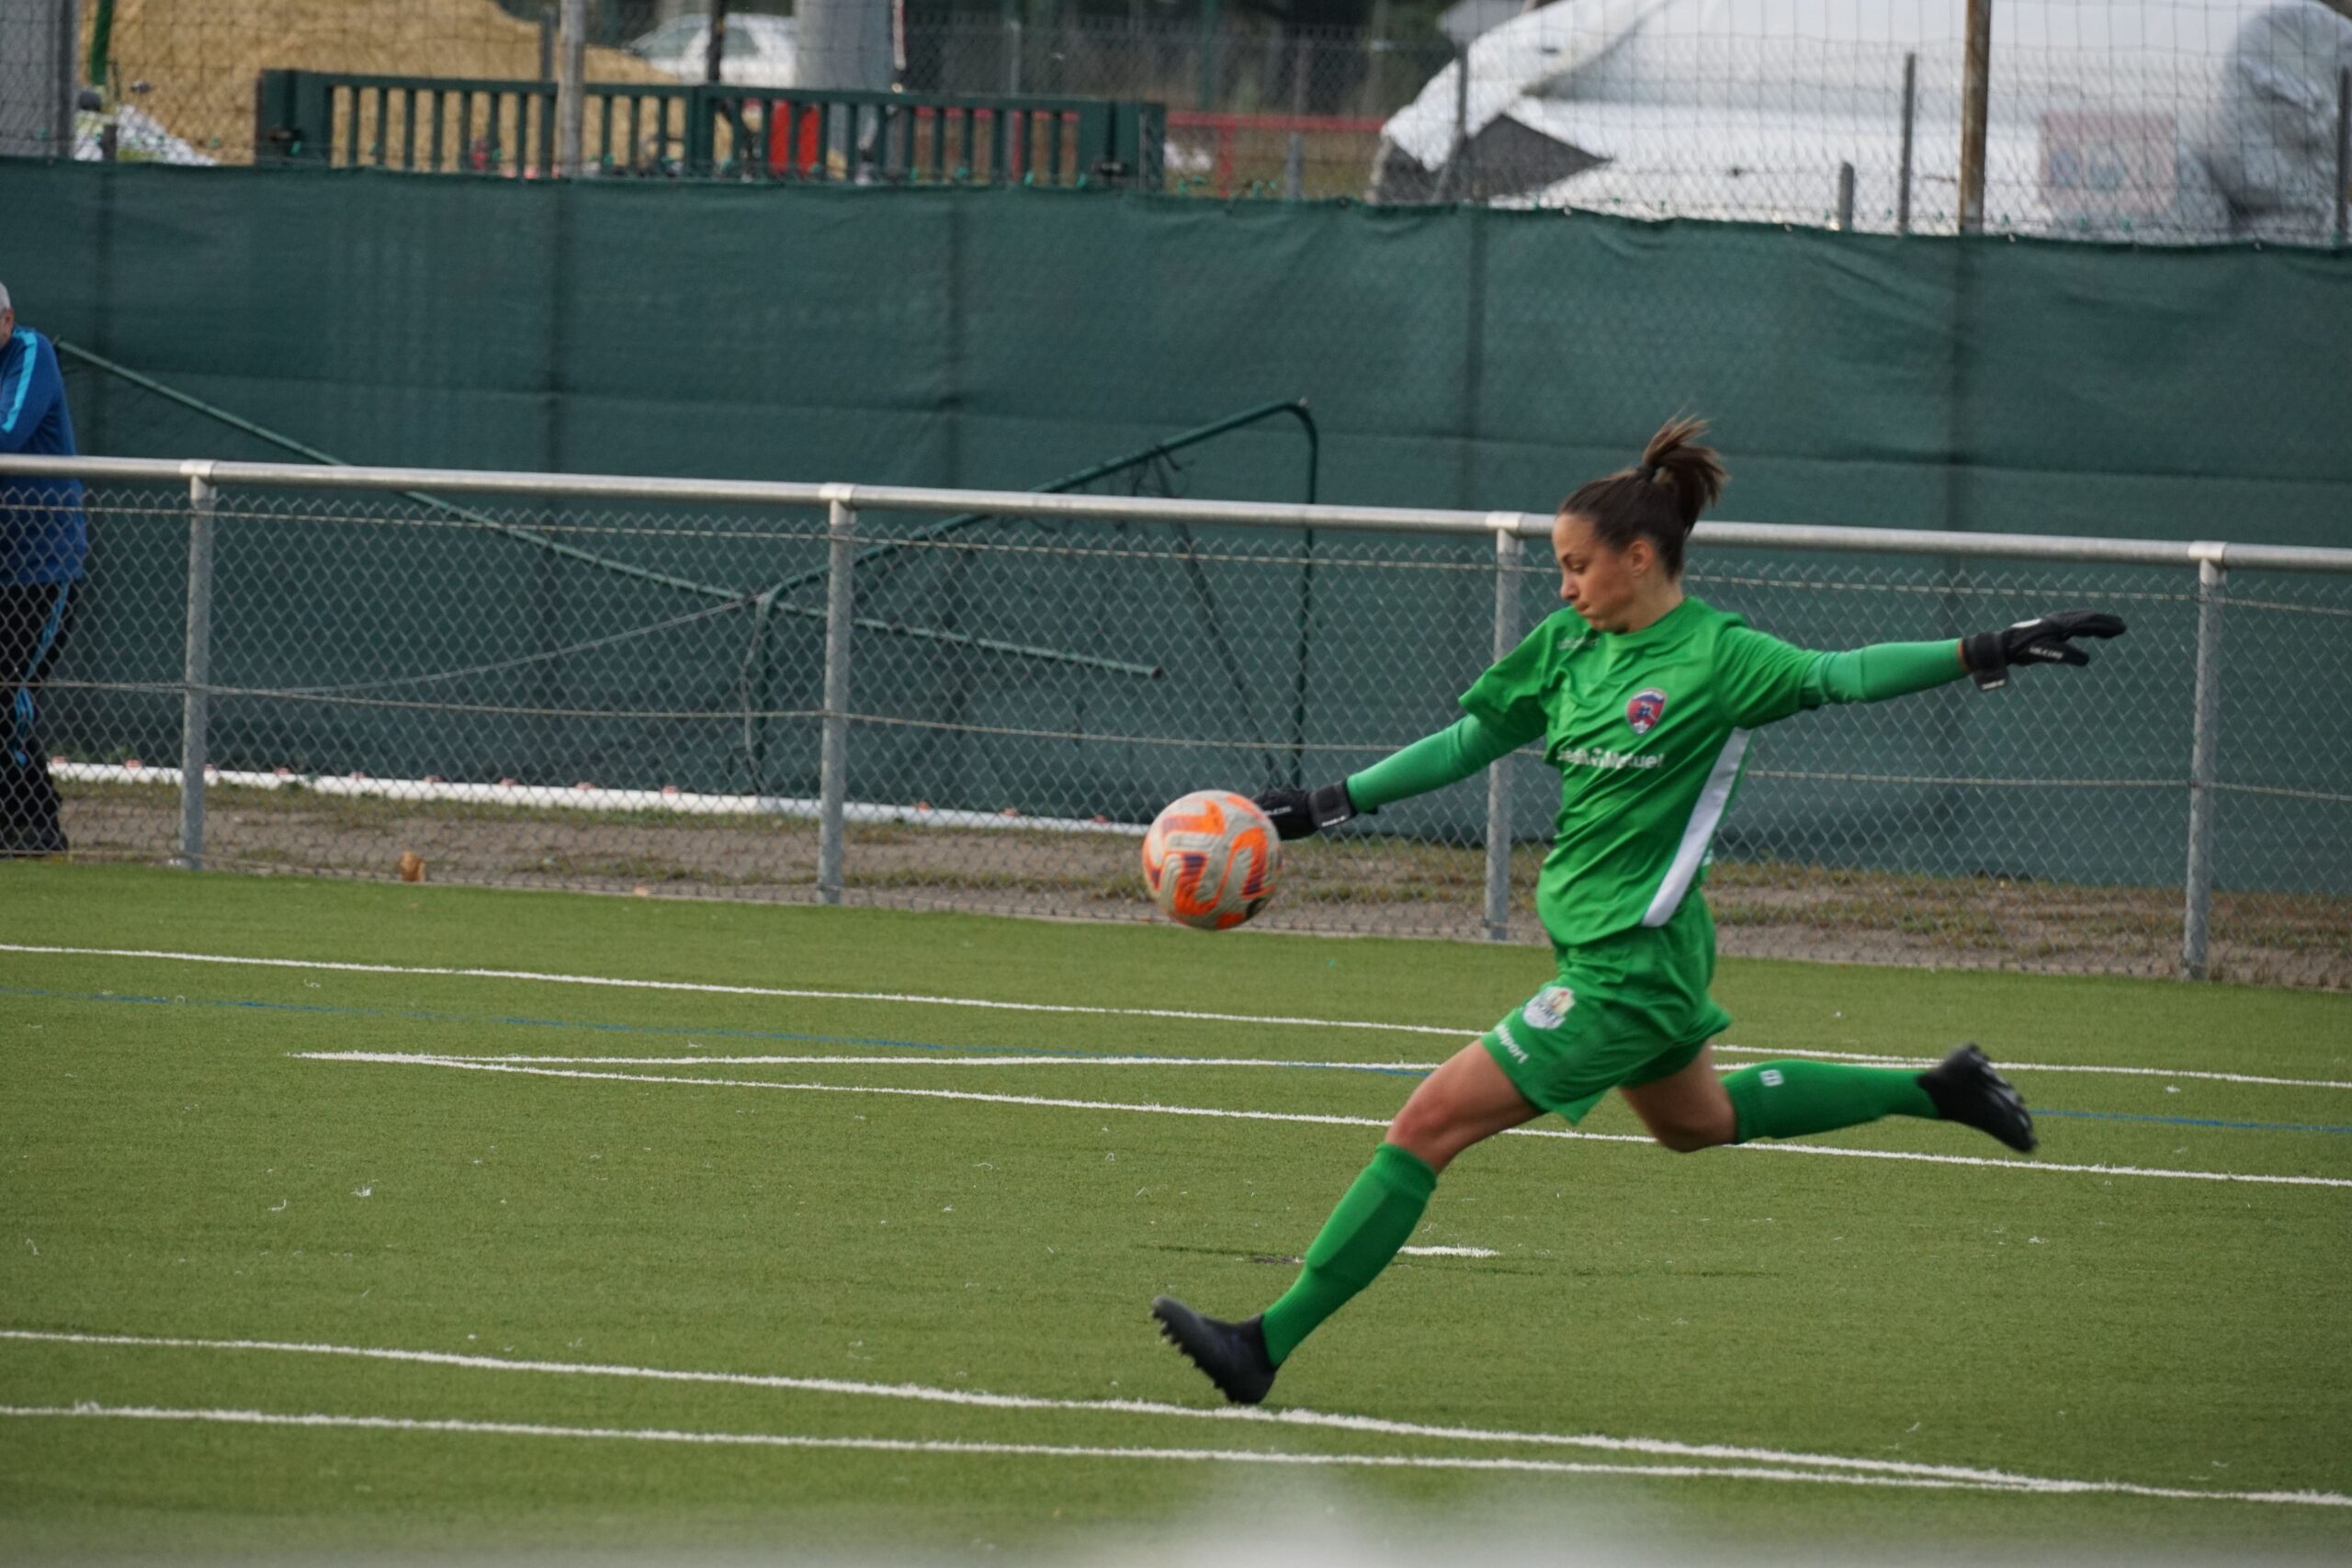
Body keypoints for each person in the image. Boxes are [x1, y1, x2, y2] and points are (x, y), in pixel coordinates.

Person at [1149, 417, 2126, 1405]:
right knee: (1697, 1122)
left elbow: (1844, 674)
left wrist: (1983, 648)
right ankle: (1940, 1090)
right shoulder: (1570, 643)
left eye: (1577, 565)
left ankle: (1262, 1345)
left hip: (1625, 970)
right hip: (1627, 955)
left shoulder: (1719, 659)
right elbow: (1470, 739)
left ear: (1641, 556)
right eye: (1559, 568)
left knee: (1424, 1127)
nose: (1564, 586)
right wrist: (1326, 806)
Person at [0, 281, 88, 856]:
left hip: (41, 568)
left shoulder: (32, 353)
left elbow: (7, 432)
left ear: (6, 320)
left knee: (8, 689)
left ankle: (31, 818)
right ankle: (26, 819)